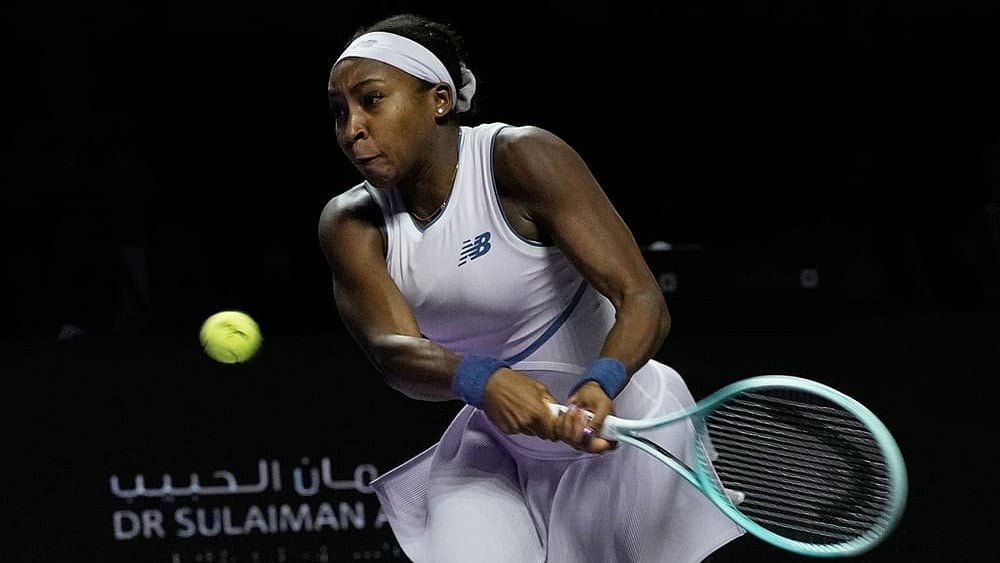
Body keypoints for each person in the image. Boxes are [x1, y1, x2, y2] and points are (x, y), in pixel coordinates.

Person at [319, 13, 745, 563]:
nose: (352, 127)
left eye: (371, 100)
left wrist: (602, 381)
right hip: (497, 444)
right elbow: (392, 353)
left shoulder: (521, 160)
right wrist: (484, 380)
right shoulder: (351, 223)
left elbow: (642, 298)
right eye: (338, 112)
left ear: (440, 100)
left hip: (628, 425)